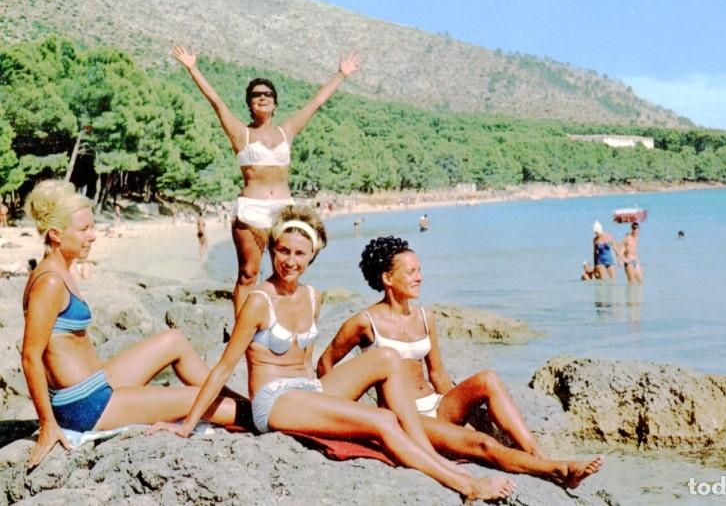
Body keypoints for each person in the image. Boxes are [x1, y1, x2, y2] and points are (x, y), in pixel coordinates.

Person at [152, 206, 514, 502]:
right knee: (382, 422)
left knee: (387, 359)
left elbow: (310, 364)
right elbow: (223, 367)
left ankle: (430, 456)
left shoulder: (313, 296)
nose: (290, 261)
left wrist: (326, 397)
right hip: (275, 401)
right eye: (282, 251)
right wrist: (186, 427)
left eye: (299, 253)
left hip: (307, 389)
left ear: (312, 255)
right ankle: (464, 484)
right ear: (272, 249)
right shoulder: (258, 302)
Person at [318, 236, 603, 489]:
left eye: (420, 270)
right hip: (407, 416)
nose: (420, 277)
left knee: (488, 379)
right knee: (482, 444)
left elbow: (438, 372)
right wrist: (351, 416)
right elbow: (325, 364)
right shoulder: (364, 322)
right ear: (388, 279)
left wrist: (458, 417)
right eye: (411, 272)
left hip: (437, 406)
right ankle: (560, 470)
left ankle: (538, 457)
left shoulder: (424, 316)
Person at [20, 180, 246, 469]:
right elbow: (30, 356)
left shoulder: (61, 269)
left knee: (173, 340)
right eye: (84, 229)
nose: (93, 236)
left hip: (96, 384)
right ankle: (266, 417)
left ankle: (249, 405)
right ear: (55, 234)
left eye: (92, 227)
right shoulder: (49, 281)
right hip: (86, 407)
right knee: (195, 400)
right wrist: (48, 424)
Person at [172, 45, 360, 315]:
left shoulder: (287, 132)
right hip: (251, 210)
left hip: (284, 211)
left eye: (267, 94)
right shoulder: (241, 134)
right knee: (249, 274)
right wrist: (192, 68)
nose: (262, 98)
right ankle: (243, 330)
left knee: (284, 272)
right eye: (256, 95)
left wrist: (341, 74)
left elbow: (316, 103)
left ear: (275, 103)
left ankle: (278, 321)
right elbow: (216, 102)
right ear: (249, 103)